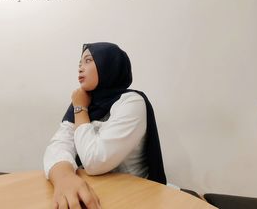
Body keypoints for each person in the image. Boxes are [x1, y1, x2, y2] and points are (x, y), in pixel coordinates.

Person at [43, 42, 166, 209]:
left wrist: (80, 109)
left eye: (88, 61)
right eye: (79, 63)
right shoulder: (84, 101)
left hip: (135, 196)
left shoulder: (131, 102)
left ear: (108, 65)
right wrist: (64, 177)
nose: (80, 68)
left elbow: (94, 160)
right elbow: (58, 144)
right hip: (95, 191)